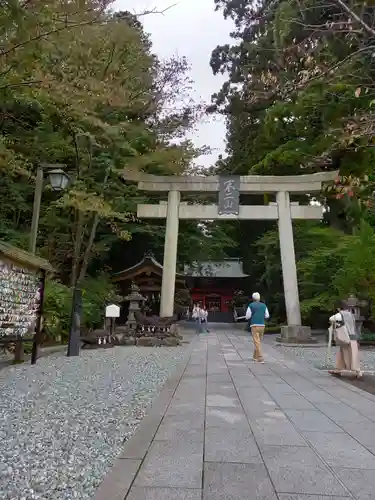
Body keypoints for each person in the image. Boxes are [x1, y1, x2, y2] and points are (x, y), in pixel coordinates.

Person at [328, 301, 362, 378]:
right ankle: (339, 369)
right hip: (353, 336)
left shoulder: (341, 314)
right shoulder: (351, 315)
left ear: (339, 308)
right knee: (346, 354)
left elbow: (331, 318)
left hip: (346, 337)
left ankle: (357, 371)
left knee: (350, 354)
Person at [245, 292, 270, 363]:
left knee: (257, 342)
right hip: (262, 325)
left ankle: (260, 358)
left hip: (254, 325)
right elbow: (267, 316)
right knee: (258, 342)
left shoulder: (251, 305)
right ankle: (254, 356)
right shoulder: (264, 305)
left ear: (253, 298)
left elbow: (247, 316)